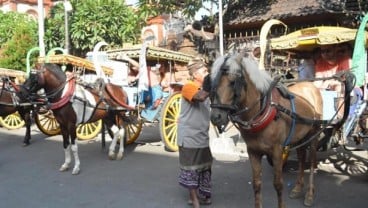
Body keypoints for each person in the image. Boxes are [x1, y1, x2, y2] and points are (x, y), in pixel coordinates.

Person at [177, 57, 212, 208]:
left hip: (202, 136)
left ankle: (203, 194)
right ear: (195, 74)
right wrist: (212, 86)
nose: (207, 73)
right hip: (189, 137)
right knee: (191, 170)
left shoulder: (205, 89)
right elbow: (200, 97)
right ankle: (194, 199)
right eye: (204, 71)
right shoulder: (188, 87)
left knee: (204, 167)